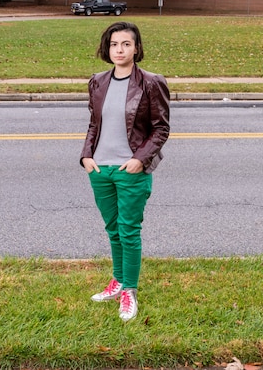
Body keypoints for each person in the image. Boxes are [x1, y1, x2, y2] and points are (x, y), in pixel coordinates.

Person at [80, 21, 170, 322]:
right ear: (107, 48)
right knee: (113, 230)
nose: (119, 50)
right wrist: (86, 156)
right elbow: (94, 124)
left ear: (136, 48)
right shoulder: (97, 81)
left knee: (129, 231)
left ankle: (129, 290)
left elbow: (161, 128)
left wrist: (139, 160)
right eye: (114, 44)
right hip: (100, 170)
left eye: (126, 44)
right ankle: (118, 280)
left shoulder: (151, 83)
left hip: (130, 170)